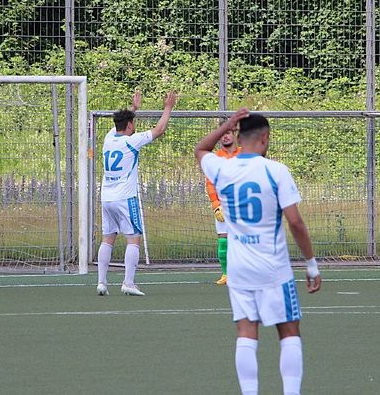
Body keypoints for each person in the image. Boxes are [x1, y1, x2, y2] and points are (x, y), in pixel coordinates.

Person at [195, 110, 321, 395]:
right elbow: (295, 222)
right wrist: (311, 263)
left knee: (246, 332)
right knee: (289, 331)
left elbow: (201, 149)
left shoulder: (223, 169)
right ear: (264, 138)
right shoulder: (276, 171)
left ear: (238, 137)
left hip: (239, 268)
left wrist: (226, 125)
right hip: (273, 268)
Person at [96, 89, 177, 297]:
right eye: (134, 122)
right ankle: (128, 283)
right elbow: (159, 130)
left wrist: (134, 108)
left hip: (106, 198)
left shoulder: (108, 138)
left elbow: (123, 123)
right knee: (134, 239)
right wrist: (168, 107)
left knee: (108, 239)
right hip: (125, 198)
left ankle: (101, 283)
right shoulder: (131, 141)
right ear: (130, 125)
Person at [204, 127, 241, 285]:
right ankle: (226, 274)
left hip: (243, 206)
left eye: (228, 133)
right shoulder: (214, 160)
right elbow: (210, 183)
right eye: (222, 134)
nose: (225, 137)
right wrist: (215, 204)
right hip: (223, 207)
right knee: (224, 242)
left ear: (234, 135)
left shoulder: (245, 155)